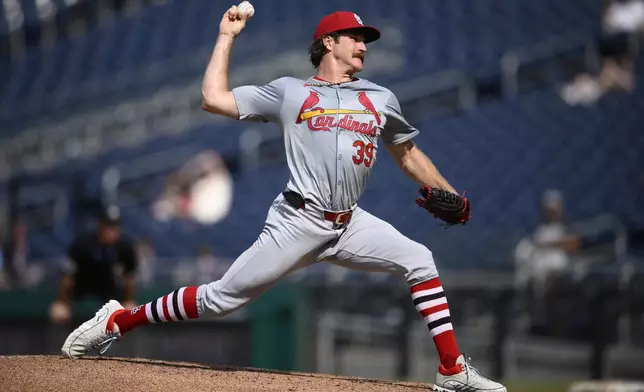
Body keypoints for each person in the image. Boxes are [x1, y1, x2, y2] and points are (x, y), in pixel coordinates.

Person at [61, 7, 505, 391]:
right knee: (220, 300)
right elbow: (213, 99)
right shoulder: (289, 91)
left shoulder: (380, 98)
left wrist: (446, 191)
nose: (364, 45)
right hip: (298, 221)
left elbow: (407, 154)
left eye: (366, 39)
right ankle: (118, 321)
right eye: (356, 37)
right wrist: (225, 37)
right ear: (329, 42)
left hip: (349, 223)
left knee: (420, 259)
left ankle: (452, 369)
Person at [50, 209, 138, 324]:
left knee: (128, 314)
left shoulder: (124, 247)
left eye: (114, 227)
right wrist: (62, 302)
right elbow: (68, 277)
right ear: (100, 226)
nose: (111, 231)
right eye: (107, 227)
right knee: (59, 314)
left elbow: (129, 277)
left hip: (109, 289)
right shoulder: (82, 245)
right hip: (81, 287)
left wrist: (128, 300)